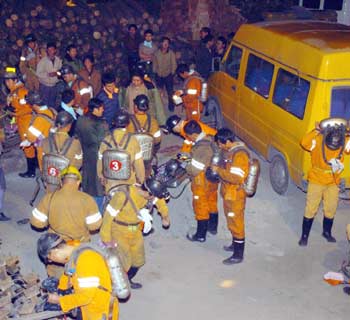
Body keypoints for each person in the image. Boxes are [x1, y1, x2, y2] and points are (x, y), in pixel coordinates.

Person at [31, 166, 102, 277]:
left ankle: (56, 287)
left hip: (56, 246)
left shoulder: (49, 198)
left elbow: (36, 222)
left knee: (56, 274)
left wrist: (50, 220)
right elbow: (95, 226)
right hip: (79, 245)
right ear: (78, 182)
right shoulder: (87, 199)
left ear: (61, 182)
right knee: (79, 269)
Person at [100, 178, 170, 289]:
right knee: (124, 260)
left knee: (138, 259)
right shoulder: (122, 196)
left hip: (134, 229)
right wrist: (106, 238)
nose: (154, 199)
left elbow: (159, 201)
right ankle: (114, 285)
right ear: (148, 193)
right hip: (119, 229)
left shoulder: (149, 195)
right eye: (153, 196)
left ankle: (126, 280)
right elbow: (108, 217)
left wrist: (165, 216)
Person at [37, 233, 118, 319]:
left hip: (99, 309)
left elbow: (86, 297)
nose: (52, 262)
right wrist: (61, 288)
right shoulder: (74, 249)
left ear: (55, 251)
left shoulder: (85, 261)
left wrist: (59, 300)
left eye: (50, 259)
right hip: (91, 303)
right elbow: (70, 271)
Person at [298, 121, 350, 246]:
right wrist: (316, 130)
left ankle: (326, 232)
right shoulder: (318, 139)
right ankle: (304, 236)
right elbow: (304, 143)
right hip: (317, 179)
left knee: (331, 208)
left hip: (333, 180)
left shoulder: (344, 141)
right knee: (311, 208)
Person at [211, 128, 249, 264]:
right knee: (231, 221)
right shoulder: (230, 152)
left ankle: (238, 255)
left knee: (236, 223)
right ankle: (235, 244)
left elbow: (237, 178)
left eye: (221, 144)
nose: (220, 146)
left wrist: (219, 171)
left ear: (228, 141)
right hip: (229, 194)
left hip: (236, 195)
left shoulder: (239, 156)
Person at [182, 120, 218, 242]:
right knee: (212, 201)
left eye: (188, 136)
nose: (188, 139)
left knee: (201, 206)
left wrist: (185, 161)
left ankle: (200, 235)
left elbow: (193, 170)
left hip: (201, 181)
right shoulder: (211, 139)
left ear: (193, 135)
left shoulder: (201, 148)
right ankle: (213, 227)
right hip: (213, 179)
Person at [97, 110, 145, 194]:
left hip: (110, 185)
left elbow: (100, 163)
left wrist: (101, 178)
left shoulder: (106, 140)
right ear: (127, 123)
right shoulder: (133, 141)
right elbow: (139, 165)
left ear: (114, 122)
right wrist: (140, 181)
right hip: (129, 184)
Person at [75, 98, 109, 211]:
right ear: (95, 109)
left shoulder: (80, 120)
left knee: (87, 181)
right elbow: (104, 141)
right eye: (101, 108)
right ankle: (97, 212)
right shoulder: (101, 124)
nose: (103, 110)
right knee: (98, 185)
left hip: (85, 155)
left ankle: (85, 207)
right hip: (98, 157)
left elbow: (77, 135)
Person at [4, 67, 36, 178]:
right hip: (21, 121)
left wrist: (15, 113)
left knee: (28, 146)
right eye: (6, 81)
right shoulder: (13, 93)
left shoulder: (22, 92)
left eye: (9, 81)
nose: (7, 83)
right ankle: (33, 166)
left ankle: (31, 171)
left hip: (26, 121)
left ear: (15, 80)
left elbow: (29, 108)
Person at [40, 111, 82, 192]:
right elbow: (78, 163)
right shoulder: (75, 143)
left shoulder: (46, 141)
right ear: (69, 126)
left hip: (51, 178)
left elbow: (43, 159)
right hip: (67, 180)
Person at [126, 94, 162, 177]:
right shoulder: (153, 121)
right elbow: (157, 140)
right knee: (146, 170)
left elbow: (125, 139)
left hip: (133, 155)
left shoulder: (128, 121)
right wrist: (153, 151)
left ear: (135, 106)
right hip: (147, 155)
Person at [23, 92, 57, 170]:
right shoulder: (51, 110)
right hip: (54, 146)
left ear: (34, 105)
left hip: (43, 149)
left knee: (45, 171)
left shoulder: (39, 119)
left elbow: (31, 137)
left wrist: (27, 140)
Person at [153, 36, 177, 112]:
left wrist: (172, 73)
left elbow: (174, 64)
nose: (165, 44)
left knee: (170, 92)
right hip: (159, 75)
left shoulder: (171, 53)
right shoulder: (157, 53)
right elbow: (154, 64)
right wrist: (155, 73)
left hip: (168, 75)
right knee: (159, 92)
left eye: (167, 43)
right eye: (164, 42)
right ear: (161, 43)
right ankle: (160, 107)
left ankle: (171, 105)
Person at [36, 42, 62, 109]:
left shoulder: (58, 60)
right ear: (47, 51)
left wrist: (57, 74)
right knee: (44, 104)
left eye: (52, 50)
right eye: (49, 50)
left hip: (54, 86)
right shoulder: (43, 61)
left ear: (55, 50)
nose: (50, 52)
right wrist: (48, 74)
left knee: (52, 104)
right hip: (45, 86)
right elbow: (38, 73)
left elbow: (61, 71)